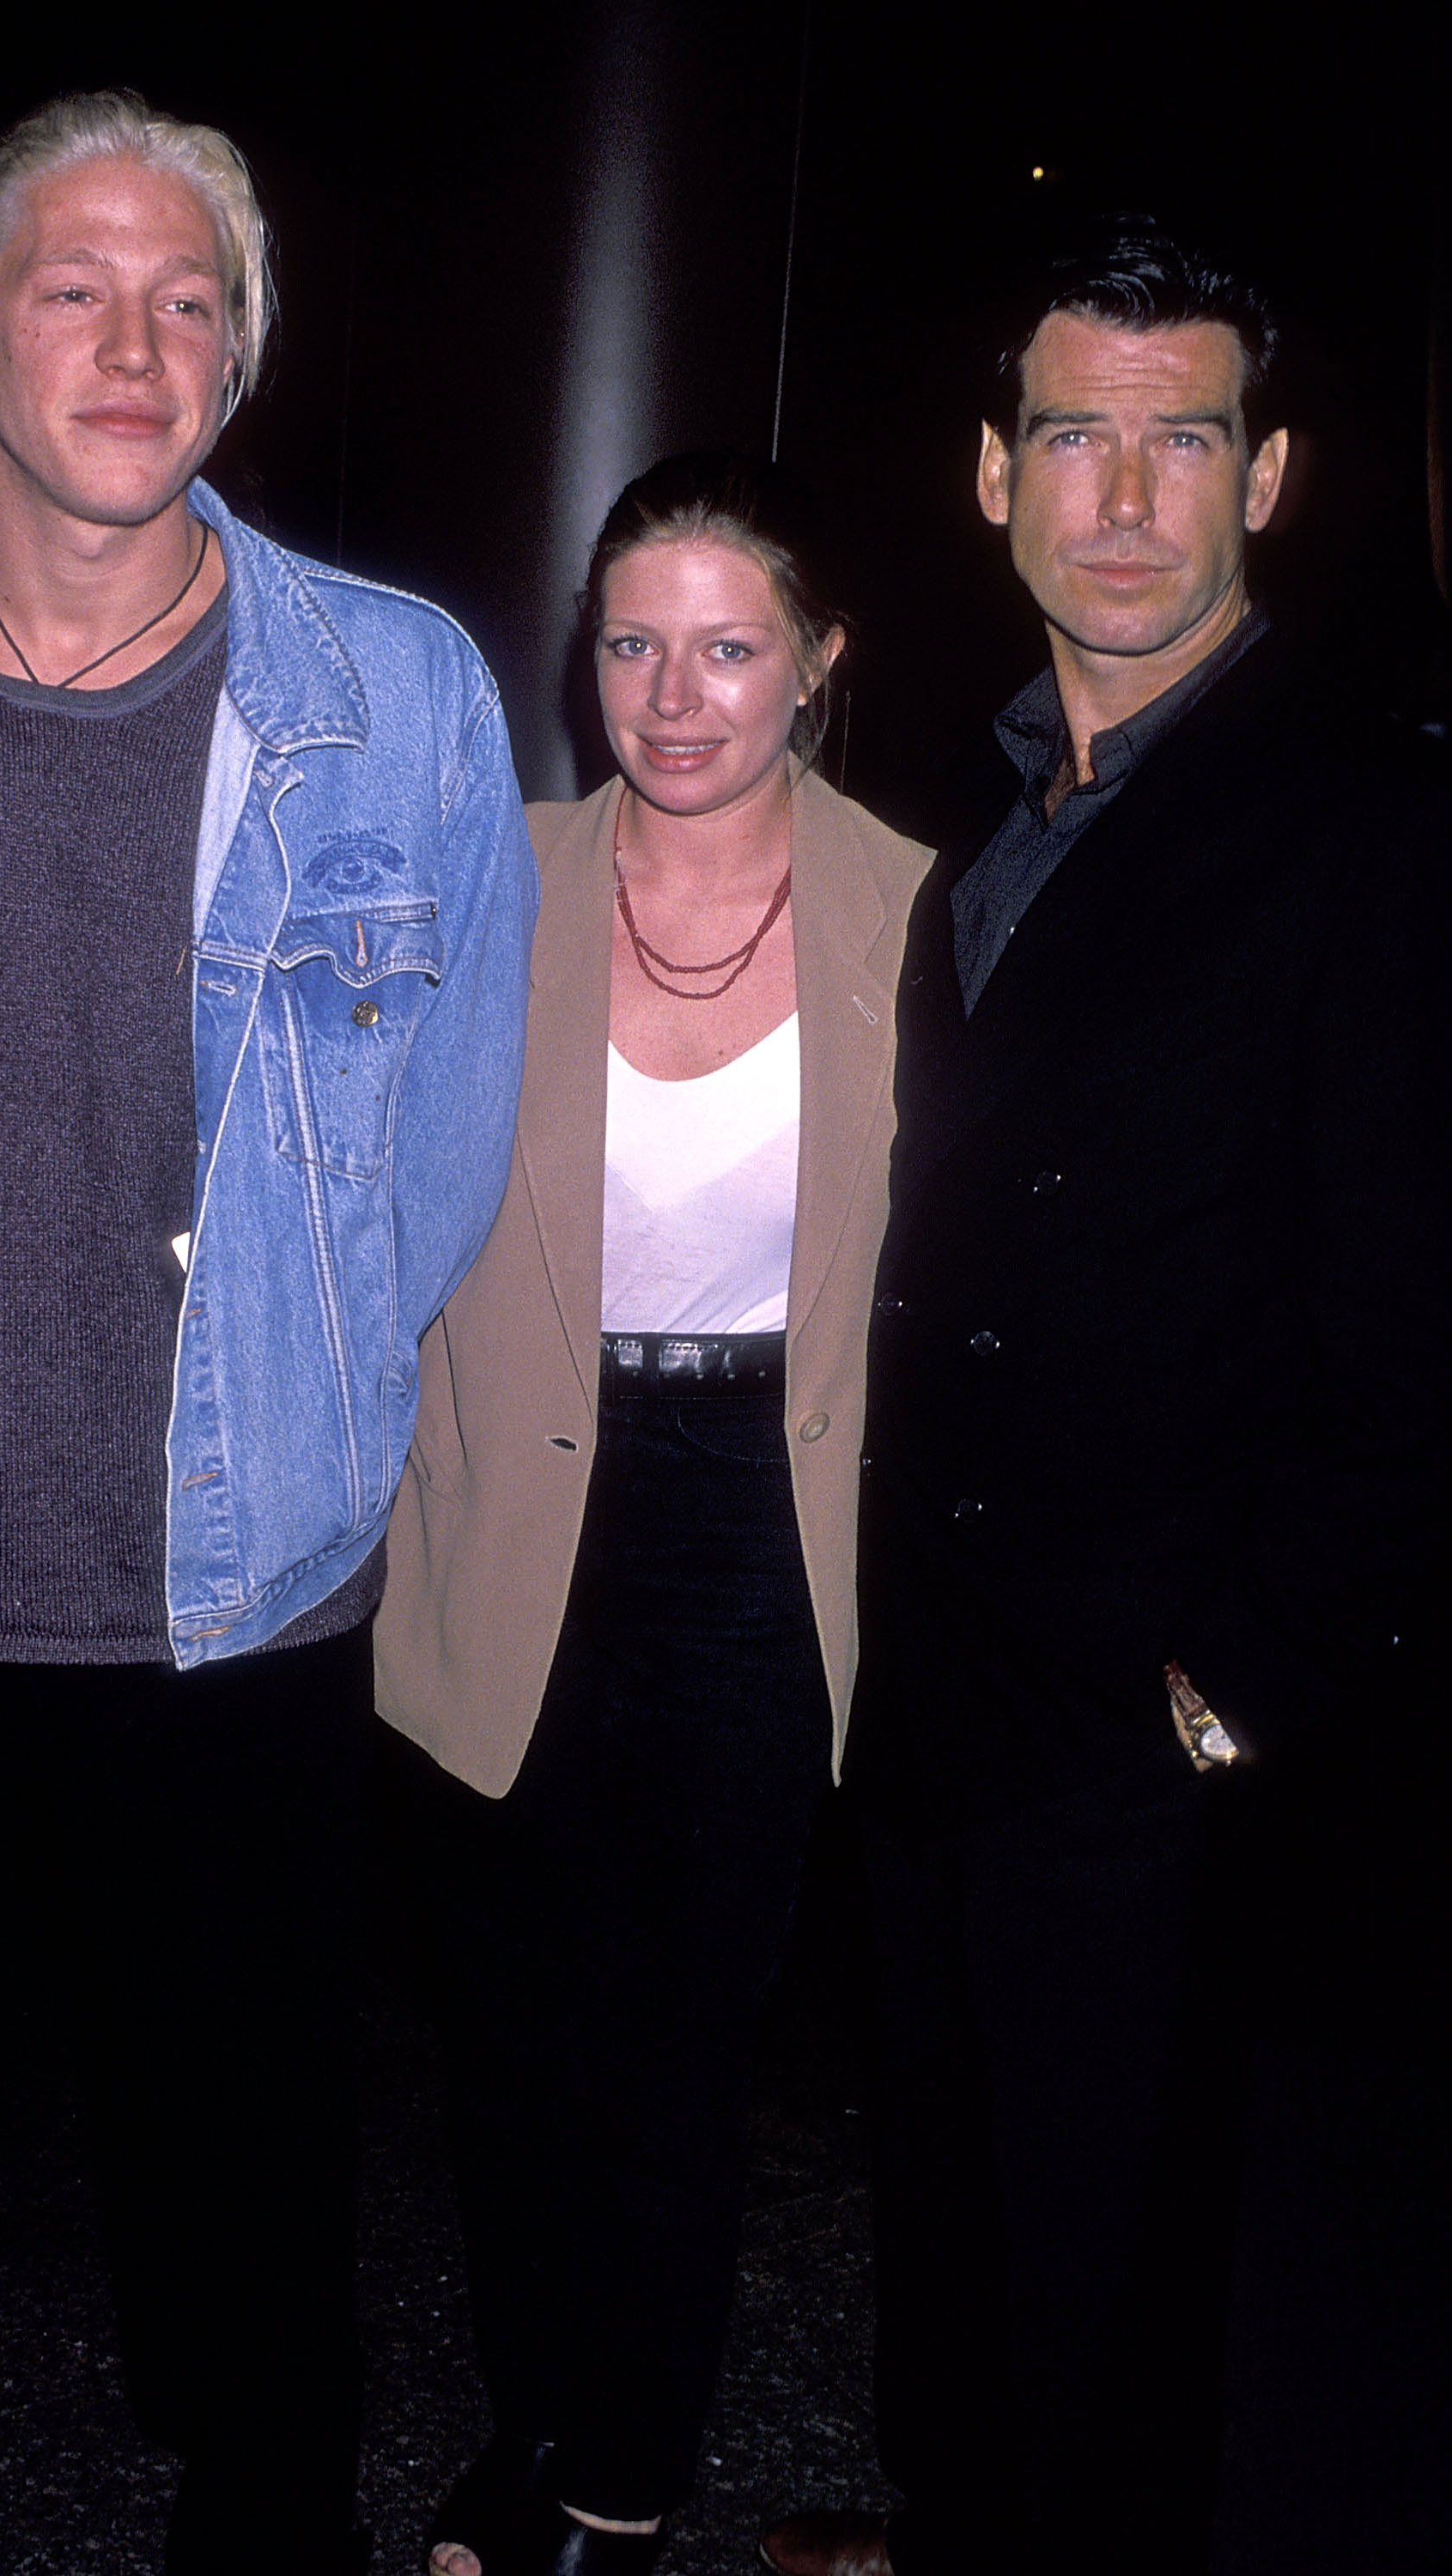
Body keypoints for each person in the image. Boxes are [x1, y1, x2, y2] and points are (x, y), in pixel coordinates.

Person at [0, 90, 534, 2576]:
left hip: (223, 1607)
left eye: (192, 298)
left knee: (247, 2244)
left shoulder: (393, 697)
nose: (135, 337)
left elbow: (447, 1153)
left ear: (240, 366)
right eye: (75, 283)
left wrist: (295, 1432)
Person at [760, 220, 1449, 2576]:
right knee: (957, 2288)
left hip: (1149, 1742)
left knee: (1129, 2345)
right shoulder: (979, 810)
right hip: (939, 1713)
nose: (1126, 497)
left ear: (1267, 480)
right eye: (1078, 435)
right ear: (991, 475)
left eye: (1186, 439)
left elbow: (1422, 1331)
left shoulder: (1371, 827)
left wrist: (1230, 1696)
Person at [374, 452, 928, 2575]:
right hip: (509, 1500)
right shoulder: (488, 881)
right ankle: (535, 2428)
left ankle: (621, 2474)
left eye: (727, 646)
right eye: (632, 643)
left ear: (816, 664)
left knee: (680, 2055)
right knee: (510, 2051)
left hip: (758, 1533)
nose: (675, 695)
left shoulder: (916, 907)